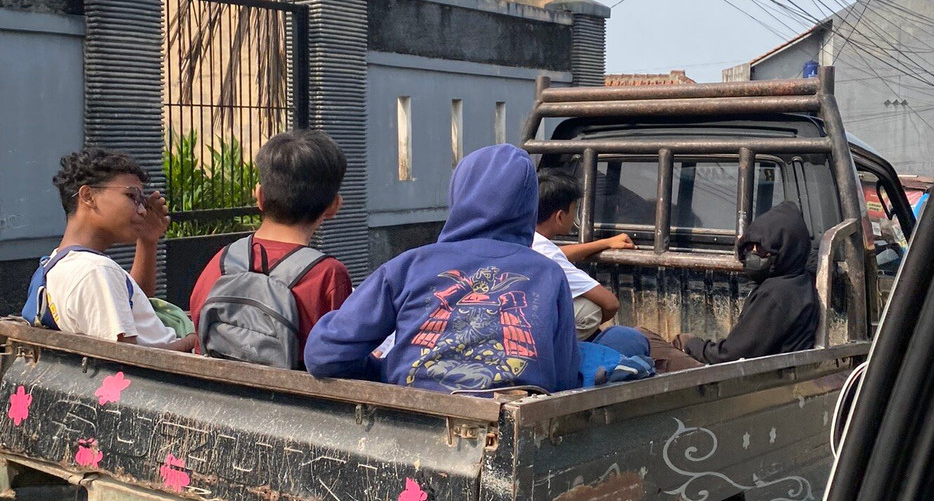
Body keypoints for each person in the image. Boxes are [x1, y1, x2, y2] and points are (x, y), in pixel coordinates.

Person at [304, 144, 579, 394]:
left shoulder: (410, 266)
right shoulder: (549, 274)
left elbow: (324, 354)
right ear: (530, 207)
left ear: (459, 194)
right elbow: (564, 382)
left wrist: (381, 372)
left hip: (410, 423)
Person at [188, 130, 352, 365]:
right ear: (334, 206)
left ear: (259, 196)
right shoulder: (328, 275)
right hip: (293, 400)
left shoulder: (222, 262)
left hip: (215, 396)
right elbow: (338, 358)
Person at [30, 148, 195, 350]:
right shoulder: (96, 271)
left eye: (142, 201)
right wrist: (193, 340)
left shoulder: (58, 263)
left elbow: (134, 301)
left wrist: (147, 241)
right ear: (88, 196)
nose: (142, 210)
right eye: (131, 196)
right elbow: (129, 360)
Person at [677, 201, 818, 364]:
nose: (754, 254)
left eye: (762, 249)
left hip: (756, 379)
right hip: (774, 374)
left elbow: (731, 355)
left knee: (653, 342)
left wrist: (691, 344)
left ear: (785, 250)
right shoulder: (798, 281)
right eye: (749, 247)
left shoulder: (776, 293)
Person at [532, 170, 634, 339]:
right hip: (537, 342)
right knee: (590, 309)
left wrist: (605, 243)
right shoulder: (550, 258)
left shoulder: (527, 240)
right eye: (574, 209)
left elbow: (557, 253)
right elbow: (610, 303)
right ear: (560, 217)